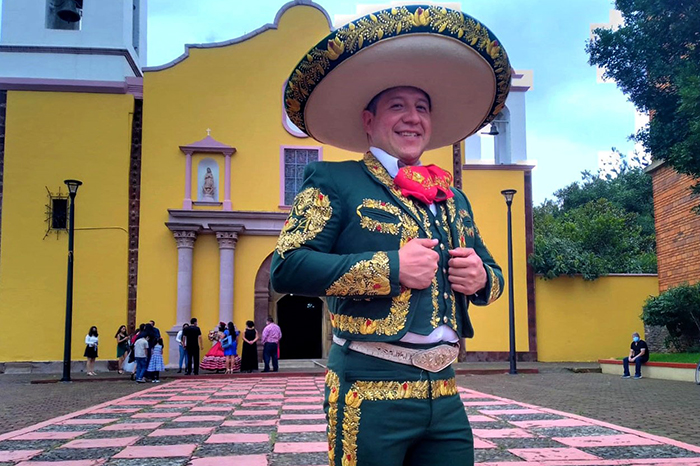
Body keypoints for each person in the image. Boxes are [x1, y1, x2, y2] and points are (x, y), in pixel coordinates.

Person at [271, 6, 508, 466]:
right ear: (368, 119)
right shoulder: (335, 180)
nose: (412, 118)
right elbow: (288, 265)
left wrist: (482, 279)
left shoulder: (453, 197)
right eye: (397, 106)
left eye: (421, 107)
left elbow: (494, 273)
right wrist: (392, 268)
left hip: (446, 391)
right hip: (368, 386)